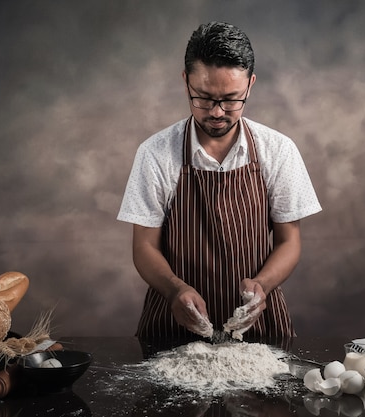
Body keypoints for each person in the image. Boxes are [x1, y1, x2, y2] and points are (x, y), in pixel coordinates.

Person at [118, 21, 321, 341]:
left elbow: (289, 241)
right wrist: (175, 291)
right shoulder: (155, 153)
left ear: (250, 85)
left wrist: (262, 285)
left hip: (258, 330)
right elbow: (144, 246)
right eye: (203, 98)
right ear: (186, 82)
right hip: (172, 330)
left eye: (231, 99)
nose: (216, 112)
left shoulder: (279, 150)